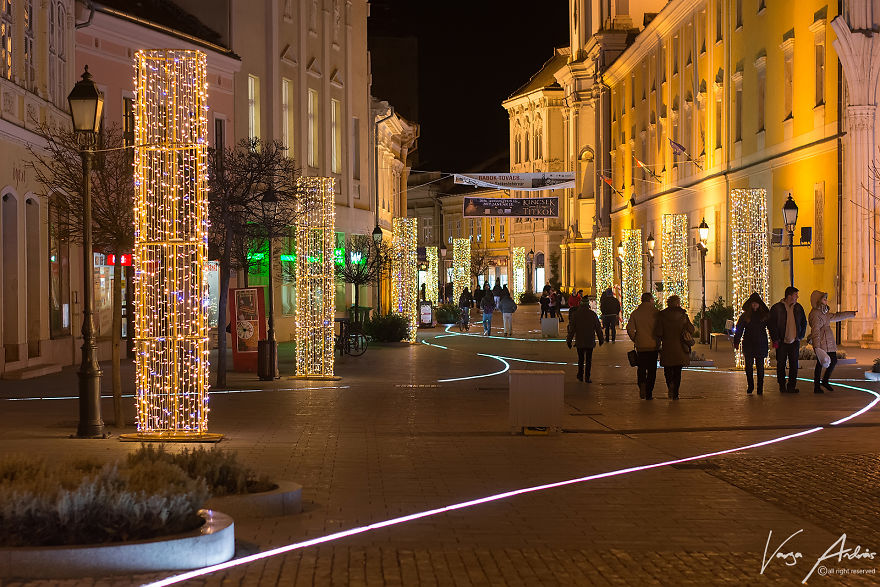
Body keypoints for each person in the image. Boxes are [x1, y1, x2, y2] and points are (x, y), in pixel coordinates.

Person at [808, 290, 856, 393]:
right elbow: (815, 330)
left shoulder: (825, 312)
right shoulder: (815, 314)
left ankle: (824, 381)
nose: (826, 301)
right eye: (824, 299)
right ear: (818, 301)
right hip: (821, 342)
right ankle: (817, 386)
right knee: (821, 363)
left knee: (832, 360)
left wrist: (851, 314)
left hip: (828, 341)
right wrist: (817, 346)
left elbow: (837, 316)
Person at [768, 286, 807, 393]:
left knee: (794, 364)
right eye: (796, 295)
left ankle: (791, 386)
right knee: (781, 364)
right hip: (781, 341)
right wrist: (775, 338)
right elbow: (771, 324)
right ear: (789, 296)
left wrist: (801, 335)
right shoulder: (777, 308)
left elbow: (804, 322)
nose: (797, 297)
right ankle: (782, 385)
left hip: (794, 341)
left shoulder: (798, 307)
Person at [655, 295, 694, 400]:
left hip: (667, 347)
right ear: (677, 303)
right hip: (680, 348)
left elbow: (658, 332)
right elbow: (691, 329)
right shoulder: (683, 315)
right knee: (678, 371)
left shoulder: (662, 315)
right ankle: (675, 393)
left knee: (667, 370)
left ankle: (670, 385)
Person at [733, 292, 770, 395]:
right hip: (749, 344)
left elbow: (771, 328)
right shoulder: (745, 316)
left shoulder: (764, 316)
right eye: (753, 304)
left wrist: (775, 339)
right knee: (748, 367)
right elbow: (739, 329)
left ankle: (760, 387)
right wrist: (736, 341)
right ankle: (750, 385)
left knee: (760, 367)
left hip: (760, 343)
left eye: (756, 304)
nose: (754, 306)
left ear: (759, 305)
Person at [627, 292, 660, 400]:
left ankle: (642, 384)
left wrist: (635, 338)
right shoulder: (656, 313)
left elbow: (630, 329)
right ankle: (649, 392)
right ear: (650, 300)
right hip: (653, 345)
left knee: (641, 368)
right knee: (652, 370)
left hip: (641, 346)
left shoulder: (635, 313)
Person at [566, 302, 604, 382]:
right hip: (590, 340)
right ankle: (587, 377)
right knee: (588, 360)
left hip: (580, 340)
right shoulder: (593, 314)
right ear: (588, 306)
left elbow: (572, 329)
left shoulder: (575, 315)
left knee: (580, 359)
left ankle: (580, 375)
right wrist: (601, 339)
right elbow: (598, 328)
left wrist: (569, 340)